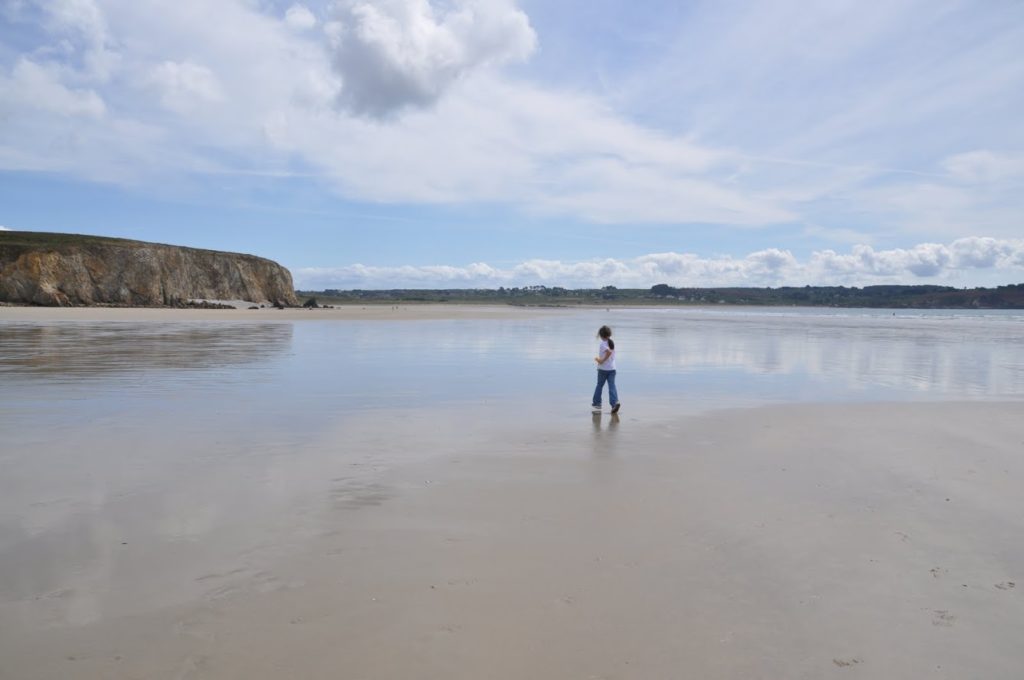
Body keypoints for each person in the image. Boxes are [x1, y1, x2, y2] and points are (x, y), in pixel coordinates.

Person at [591, 325, 620, 414]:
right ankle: (614, 403)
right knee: (612, 386)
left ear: (601, 335)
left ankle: (597, 403)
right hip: (612, 369)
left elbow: (608, 352)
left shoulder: (603, 344)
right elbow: (610, 353)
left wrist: (601, 361)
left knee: (599, 385)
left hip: (603, 369)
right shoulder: (611, 342)